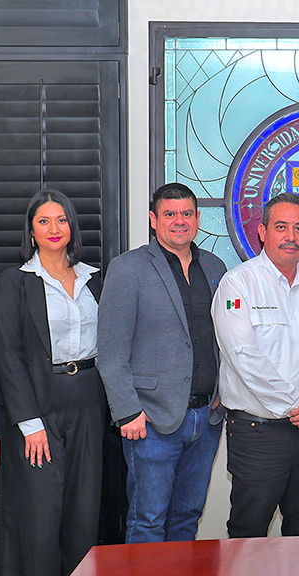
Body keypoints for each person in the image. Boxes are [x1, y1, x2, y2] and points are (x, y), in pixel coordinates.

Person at [97, 182, 226, 543]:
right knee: (148, 520)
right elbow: (110, 350)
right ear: (154, 220)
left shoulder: (214, 267)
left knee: (187, 517)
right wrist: (127, 412)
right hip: (151, 420)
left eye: (187, 213)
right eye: (169, 214)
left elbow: (225, 336)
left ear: (198, 219)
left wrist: (224, 391)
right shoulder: (128, 268)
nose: (179, 221)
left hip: (206, 418)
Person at [0, 189, 104, 576]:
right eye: (44, 221)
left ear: (72, 226)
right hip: (37, 405)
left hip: (88, 401)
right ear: (31, 231)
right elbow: (8, 356)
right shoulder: (16, 281)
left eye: (61, 220)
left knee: (83, 512)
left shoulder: (96, 278)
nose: (54, 228)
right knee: (38, 519)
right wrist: (29, 423)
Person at [212, 192, 299, 538]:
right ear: (262, 232)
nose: (291, 236)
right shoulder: (237, 283)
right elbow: (243, 355)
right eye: (281, 227)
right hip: (259, 433)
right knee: (249, 532)